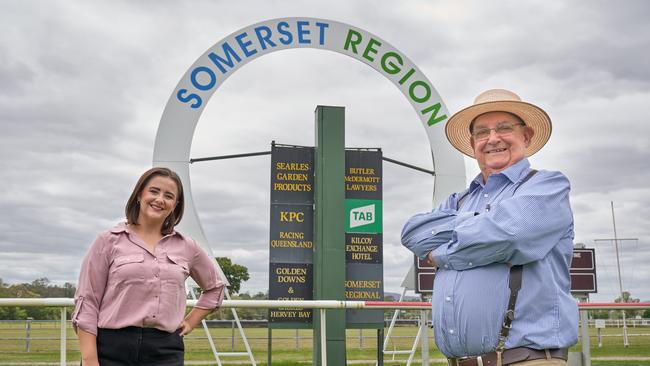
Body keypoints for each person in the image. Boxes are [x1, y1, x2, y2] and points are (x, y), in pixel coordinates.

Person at [402, 89, 578, 366]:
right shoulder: (458, 199)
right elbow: (413, 233)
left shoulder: (547, 186)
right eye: (482, 132)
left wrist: (444, 255)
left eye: (505, 128)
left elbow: (508, 235)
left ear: (527, 136)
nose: (493, 139)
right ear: (473, 143)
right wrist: (485, 223)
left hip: (527, 360)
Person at [73, 167, 226, 366]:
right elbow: (87, 302)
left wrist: (190, 321)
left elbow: (215, 288)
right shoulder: (108, 241)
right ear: (139, 195)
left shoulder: (187, 247)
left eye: (168, 195)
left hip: (164, 351)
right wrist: (90, 359)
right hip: (111, 348)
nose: (160, 199)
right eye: (154, 191)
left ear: (175, 205)